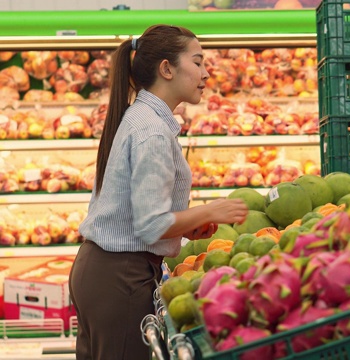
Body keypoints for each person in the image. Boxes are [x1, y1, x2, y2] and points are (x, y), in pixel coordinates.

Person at [69, 25, 249, 360]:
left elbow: (138, 213)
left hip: (103, 271)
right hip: (120, 276)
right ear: (167, 68)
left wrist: (184, 225)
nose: (206, 73)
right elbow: (150, 225)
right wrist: (211, 211)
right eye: (197, 62)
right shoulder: (151, 130)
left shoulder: (142, 118)